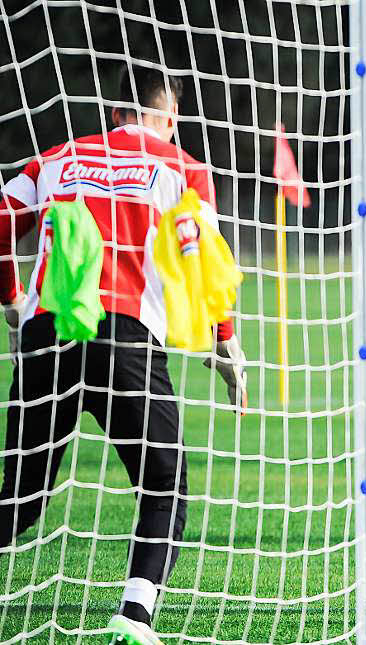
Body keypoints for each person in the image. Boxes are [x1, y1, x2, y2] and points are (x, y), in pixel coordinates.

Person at [0, 65, 247, 645]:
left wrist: (12, 297)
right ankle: (133, 620)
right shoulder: (182, 168)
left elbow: (1, 220)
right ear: (172, 119)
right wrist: (223, 340)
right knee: (165, 486)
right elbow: (203, 260)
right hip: (126, 342)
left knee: (19, 501)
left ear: (114, 113)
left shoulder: (57, 158)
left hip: (46, 336)